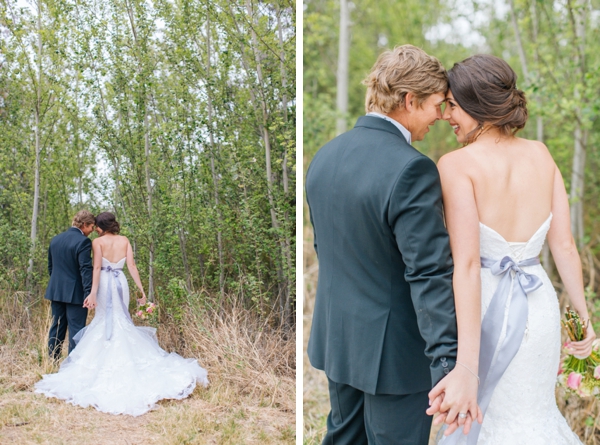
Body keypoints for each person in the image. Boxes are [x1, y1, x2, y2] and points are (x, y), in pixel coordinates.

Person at [305, 45, 480, 444]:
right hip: (395, 358)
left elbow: (328, 251)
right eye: (437, 105)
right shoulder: (411, 168)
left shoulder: (325, 156)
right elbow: (429, 273)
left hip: (339, 342)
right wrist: (447, 364)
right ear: (409, 100)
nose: (440, 116)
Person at [427, 54, 592, 444]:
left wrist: (466, 364)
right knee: (534, 413)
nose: (447, 115)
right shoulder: (542, 154)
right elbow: (565, 246)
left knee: (497, 419)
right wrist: (584, 321)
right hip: (540, 308)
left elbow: (466, 265)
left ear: (476, 104)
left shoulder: (455, 165)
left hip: (484, 309)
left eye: (452, 105)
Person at [35, 212, 209, 416]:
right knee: (120, 318)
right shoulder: (124, 240)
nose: (95, 230)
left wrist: (92, 293)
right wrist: (142, 291)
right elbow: (132, 266)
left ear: (100, 226)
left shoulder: (95, 243)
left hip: (100, 286)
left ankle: (61, 361)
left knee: (86, 322)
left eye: (97, 226)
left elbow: (96, 268)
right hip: (121, 284)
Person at [45, 210, 95, 360]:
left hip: (56, 291)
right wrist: (88, 293)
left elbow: (51, 267)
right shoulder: (83, 241)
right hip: (76, 293)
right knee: (76, 328)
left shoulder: (56, 239)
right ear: (84, 224)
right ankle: (73, 364)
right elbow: (85, 269)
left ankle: (53, 359)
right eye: (91, 227)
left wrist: (58, 285)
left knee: (57, 326)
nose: (91, 231)